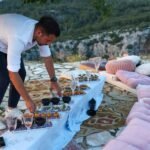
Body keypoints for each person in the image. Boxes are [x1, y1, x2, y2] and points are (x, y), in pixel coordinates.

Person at [0, 13, 61, 114]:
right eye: (48, 40)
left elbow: (47, 58)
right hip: (4, 39)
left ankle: (12, 109)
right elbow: (13, 74)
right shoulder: (18, 37)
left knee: (21, 73)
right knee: (3, 78)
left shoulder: (41, 31)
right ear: (39, 33)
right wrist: (28, 100)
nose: (49, 43)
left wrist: (53, 80)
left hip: (5, 37)